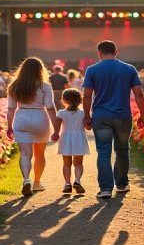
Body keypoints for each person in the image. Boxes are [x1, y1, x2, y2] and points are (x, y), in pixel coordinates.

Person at [83, 40, 144, 199]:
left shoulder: (92, 69)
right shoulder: (129, 69)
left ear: (99, 53)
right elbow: (138, 93)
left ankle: (105, 188)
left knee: (103, 152)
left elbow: (87, 95)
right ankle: (122, 184)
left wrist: (87, 116)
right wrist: (142, 113)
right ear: (116, 51)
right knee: (122, 150)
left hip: (101, 116)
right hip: (123, 116)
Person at [6, 57, 56, 196]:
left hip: (22, 118)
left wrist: (9, 126)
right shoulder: (44, 86)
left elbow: (10, 108)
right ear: (40, 70)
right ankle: (37, 183)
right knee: (39, 154)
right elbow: (50, 107)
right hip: (40, 118)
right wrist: (56, 127)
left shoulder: (14, 86)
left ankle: (26, 180)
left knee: (25, 153)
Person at [51, 88, 89, 195]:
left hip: (66, 138)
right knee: (78, 163)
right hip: (79, 138)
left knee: (66, 163)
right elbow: (88, 127)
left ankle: (67, 184)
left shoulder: (61, 113)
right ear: (79, 100)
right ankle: (77, 181)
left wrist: (55, 134)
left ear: (64, 100)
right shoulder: (83, 113)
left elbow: (57, 128)